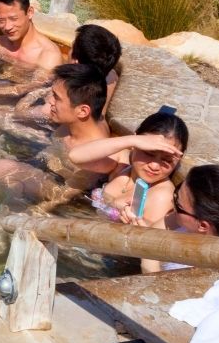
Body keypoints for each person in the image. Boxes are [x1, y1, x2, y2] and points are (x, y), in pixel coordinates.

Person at [0, 62, 111, 202]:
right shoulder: (75, 121)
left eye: (56, 98)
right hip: (36, 166)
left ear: (82, 111)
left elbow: (63, 197)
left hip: (54, 191)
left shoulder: (95, 153)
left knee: (2, 169)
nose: (49, 101)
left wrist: (31, 214)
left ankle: (5, 215)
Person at [68, 112, 189, 272]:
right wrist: (131, 140)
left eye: (166, 160)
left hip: (100, 261)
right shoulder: (124, 164)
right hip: (82, 238)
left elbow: (145, 256)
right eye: (149, 153)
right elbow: (75, 155)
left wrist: (134, 230)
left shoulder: (160, 196)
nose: (154, 166)